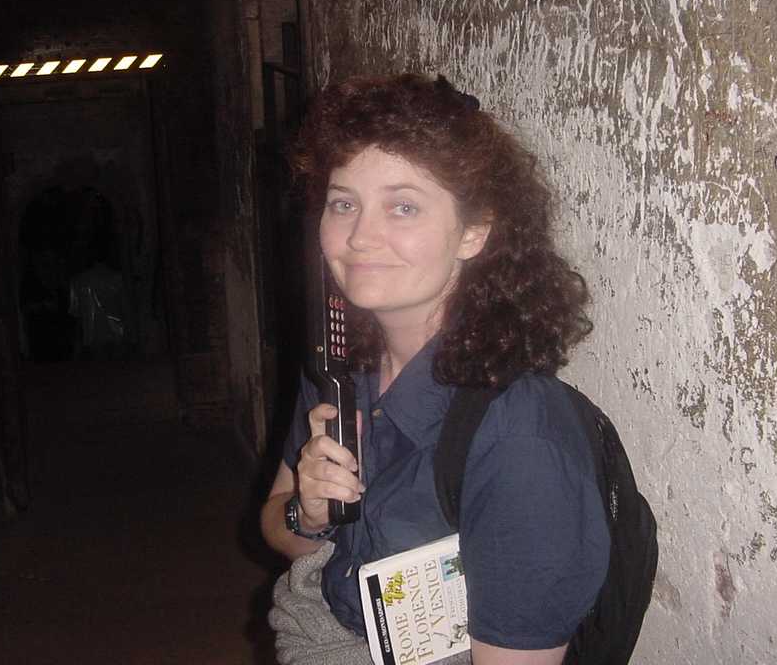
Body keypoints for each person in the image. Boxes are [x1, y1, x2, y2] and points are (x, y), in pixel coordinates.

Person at [261, 74, 611, 665]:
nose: (360, 236)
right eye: (344, 203)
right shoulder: (339, 367)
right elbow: (279, 528)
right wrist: (310, 512)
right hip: (316, 629)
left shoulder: (518, 436)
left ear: (473, 232)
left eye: (403, 207)